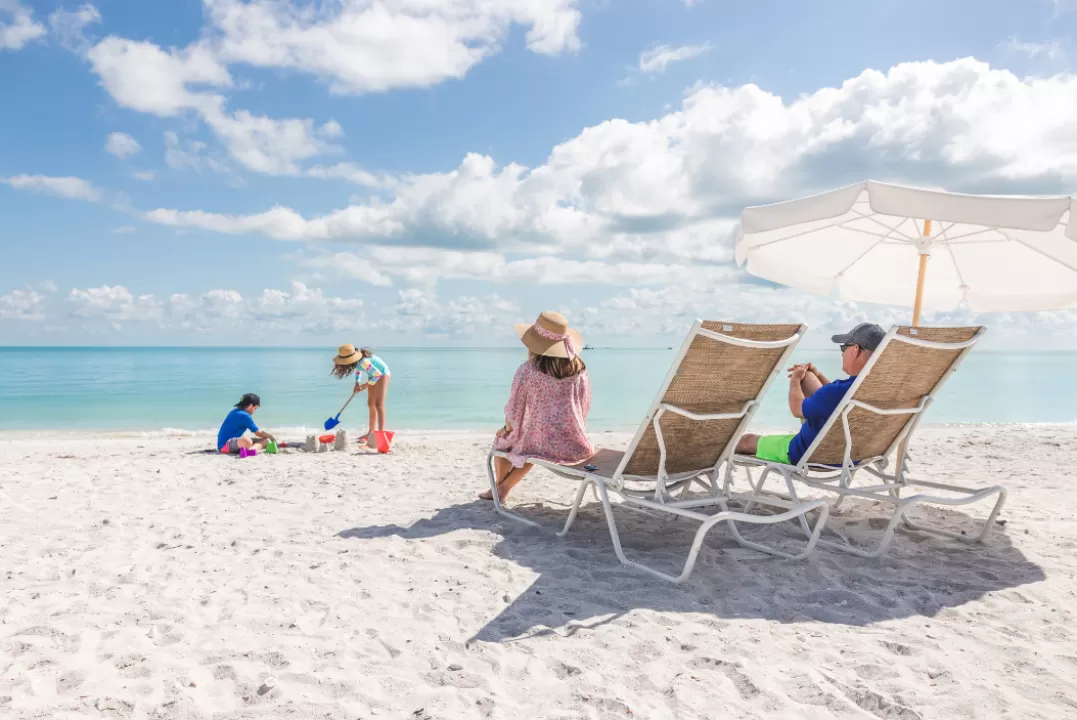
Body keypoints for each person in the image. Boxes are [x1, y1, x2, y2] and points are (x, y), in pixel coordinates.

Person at [480, 311, 595, 502]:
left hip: (541, 445)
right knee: (532, 443)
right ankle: (500, 489)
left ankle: (501, 489)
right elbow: (584, 406)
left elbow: (514, 411)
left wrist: (506, 429)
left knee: (504, 441)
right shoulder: (580, 372)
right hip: (574, 446)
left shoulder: (528, 371)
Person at [736, 322, 886, 465]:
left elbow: (797, 409)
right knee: (808, 378)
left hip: (804, 452)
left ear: (855, 350)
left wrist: (795, 380)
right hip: (851, 456)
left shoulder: (837, 391)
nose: (842, 354)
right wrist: (817, 375)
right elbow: (835, 400)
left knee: (746, 440)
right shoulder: (878, 390)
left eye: (843, 348)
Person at [331, 344, 391, 444]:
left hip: (382, 374)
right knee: (370, 404)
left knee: (378, 404)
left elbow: (378, 375)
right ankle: (371, 433)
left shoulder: (363, 362)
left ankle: (381, 434)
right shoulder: (357, 362)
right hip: (373, 376)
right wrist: (357, 383)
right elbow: (358, 370)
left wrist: (364, 386)